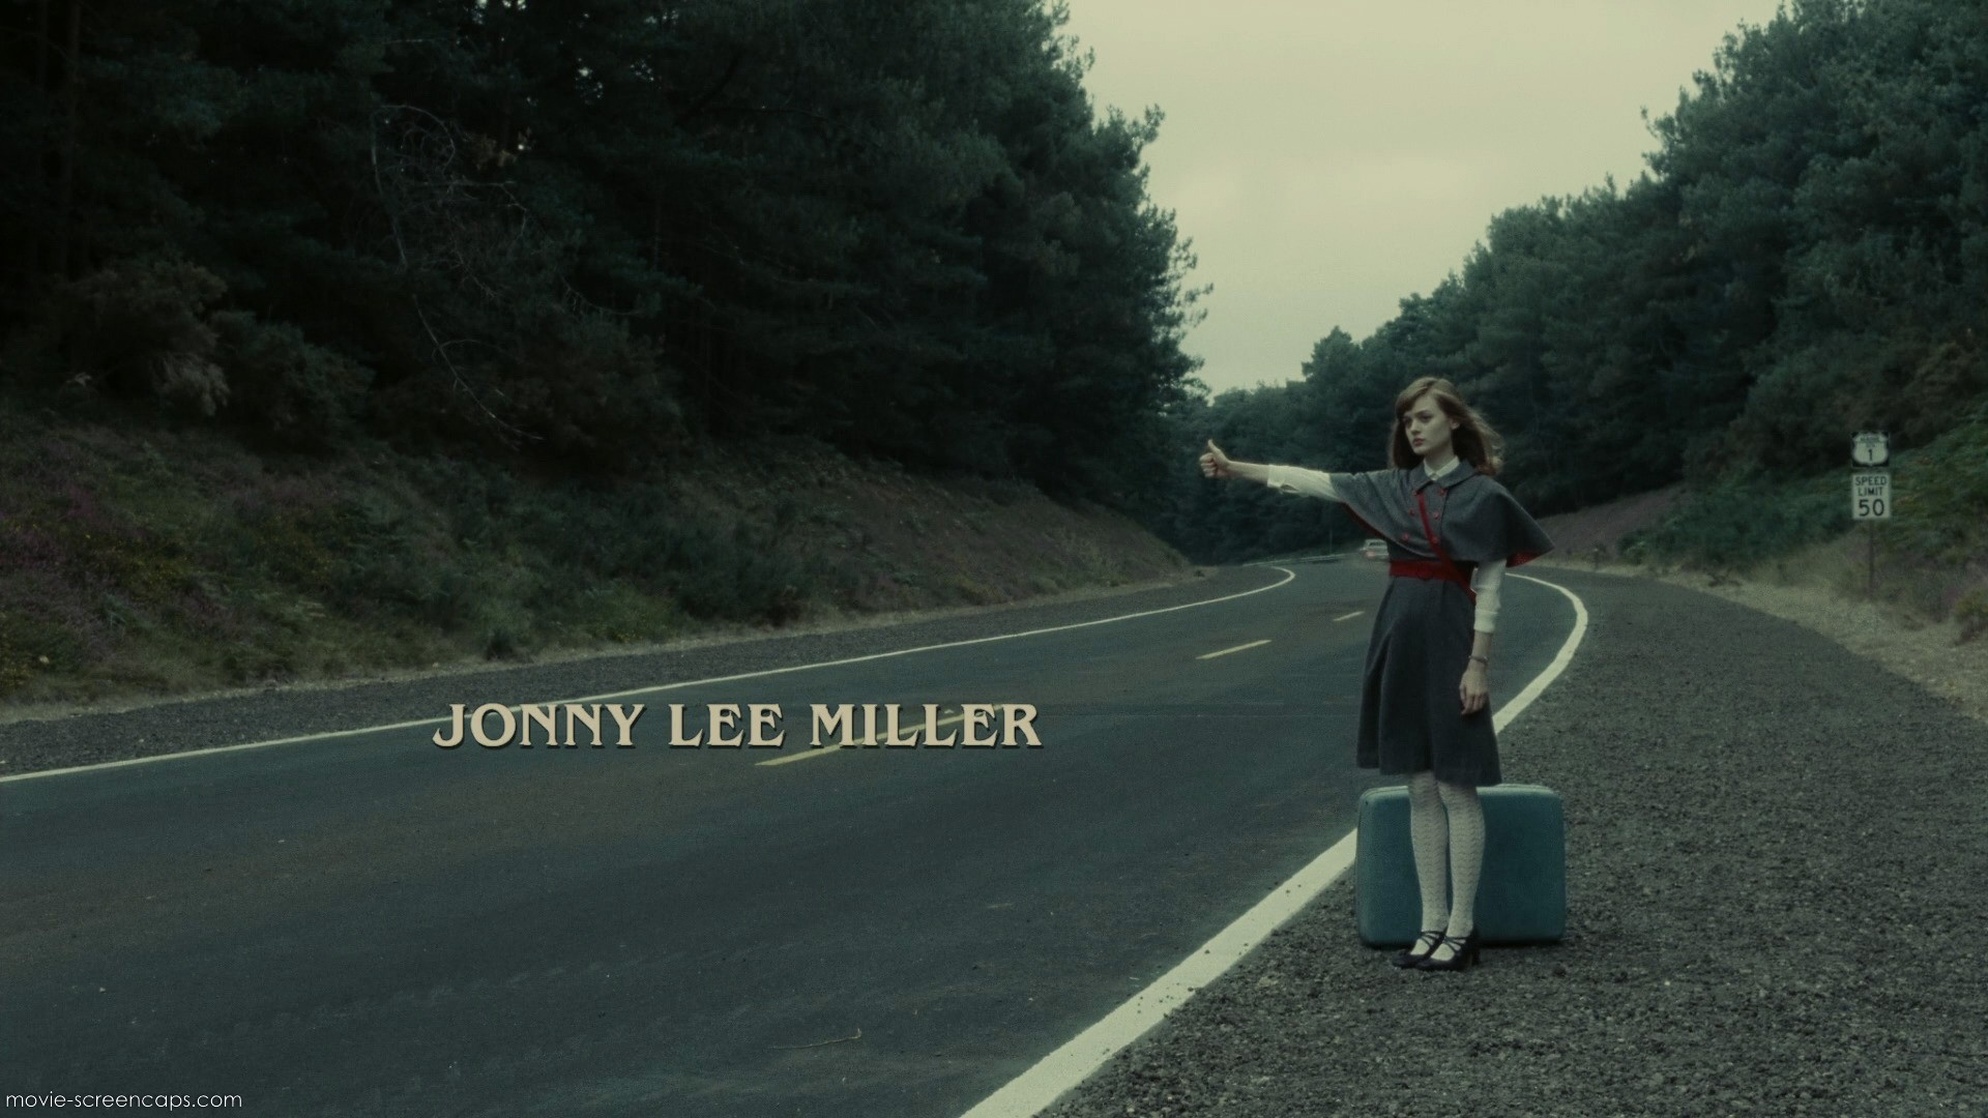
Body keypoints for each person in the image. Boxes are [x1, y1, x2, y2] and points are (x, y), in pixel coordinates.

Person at [1198, 376, 1553, 972]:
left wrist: (1478, 665)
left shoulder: (1485, 497)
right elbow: (1313, 481)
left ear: (1454, 422)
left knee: (1455, 784)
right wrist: (1238, 469)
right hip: (1398, 635)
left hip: (1453, 637)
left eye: (1425, 418)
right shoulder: (1393, 488)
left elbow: (1490, 589)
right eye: (1407, 420)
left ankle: (1463, 929)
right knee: (1419, 785)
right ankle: (1431, 924)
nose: (1414, 428)